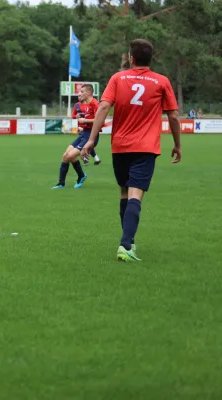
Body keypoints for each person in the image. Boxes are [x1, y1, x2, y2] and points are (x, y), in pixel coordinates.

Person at [81, 39, 182, 262]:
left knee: (124, 194)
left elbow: (105, 107)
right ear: (150, 58)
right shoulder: (161, 81)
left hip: (120, 147)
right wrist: (177, 144)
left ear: (130, 58)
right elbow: (173, 116)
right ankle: (126, 245)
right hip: (145, 148)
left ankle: (129, 242)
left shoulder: (118, 78)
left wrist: (91, 139)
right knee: (136, 195)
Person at [52, 84, 97, 189]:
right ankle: (61, 183)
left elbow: (100, 120)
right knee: (65, 156)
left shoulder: (95, 104)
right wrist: (83, 124)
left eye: (82, 92)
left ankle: (81, 175)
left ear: (89, 93)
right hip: (84, 133)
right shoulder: (85, 104)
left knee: (71, 155)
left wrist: (85, 121)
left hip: (90, 135)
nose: (79, 93)